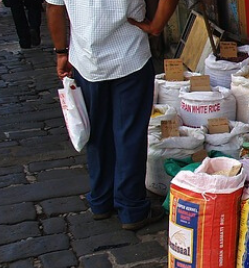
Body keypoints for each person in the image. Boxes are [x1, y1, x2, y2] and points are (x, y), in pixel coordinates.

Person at [46, 0, 178, 230]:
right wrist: (156, 26)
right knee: (130, 134)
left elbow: (54, 7)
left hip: (87, 60)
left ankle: (101, 200)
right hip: (129, 57)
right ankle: (131, 207)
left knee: (96, 131)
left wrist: (60, 52)